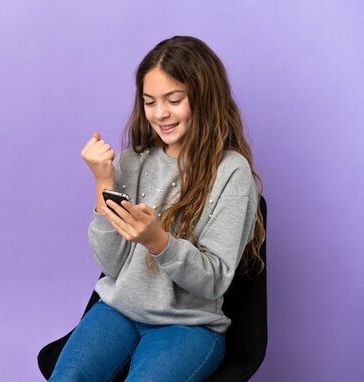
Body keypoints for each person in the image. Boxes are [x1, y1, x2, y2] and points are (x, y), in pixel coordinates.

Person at [48, 36, 265, 381]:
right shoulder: (132, 162)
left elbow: (213, 282)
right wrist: (103, 182)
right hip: (118, 311)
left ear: (204, 98)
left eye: (174, 100)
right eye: (150, 102)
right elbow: (113, 265)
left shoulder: (232, 172)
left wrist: (158, 242)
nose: (160, 113)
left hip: (188, 326)